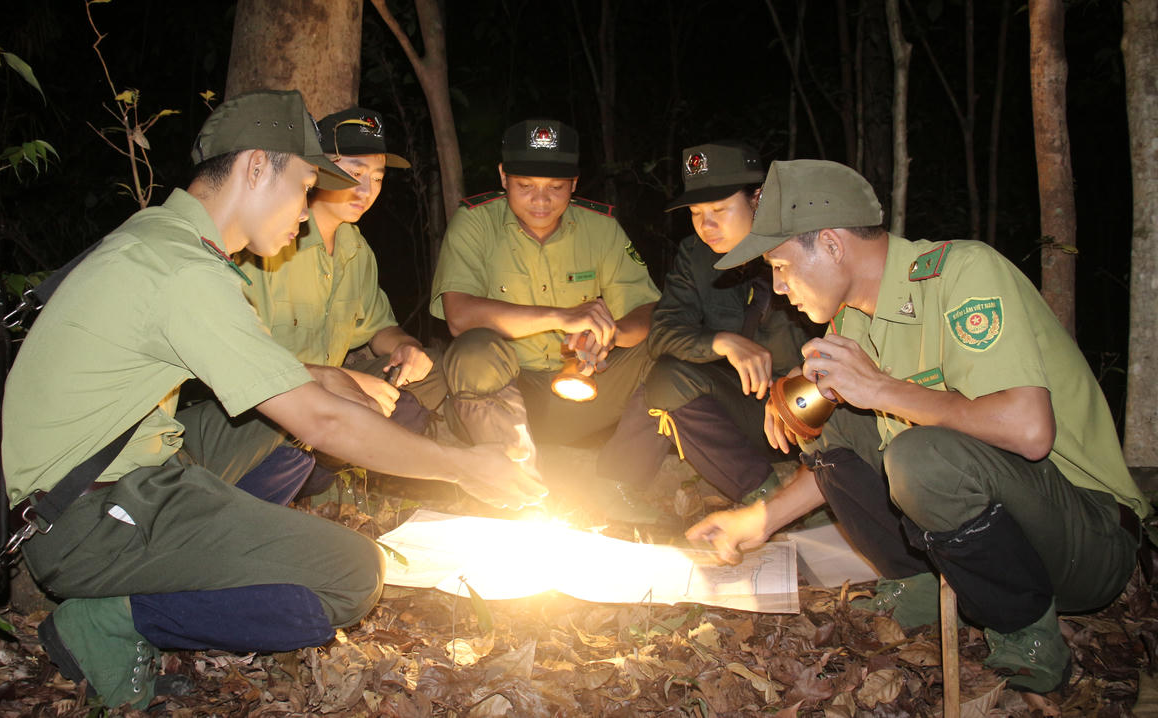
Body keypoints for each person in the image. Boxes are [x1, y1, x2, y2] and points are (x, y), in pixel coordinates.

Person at [1, 90, 545, 709]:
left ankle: (211, 549)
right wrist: (468, 467)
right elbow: (319, 419)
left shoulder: (161, 236)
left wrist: (331, 378)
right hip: (85, 518)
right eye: (304, 185)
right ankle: (113, 617)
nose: (307, 210)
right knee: (353, 575)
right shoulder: (186, 271)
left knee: (293, 420)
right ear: (256, 166)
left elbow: (278, 382)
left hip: (116, 470)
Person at [686, 159, 1149, 693]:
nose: (779, 286)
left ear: (833, 245)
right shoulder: (852, 320)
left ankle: (1027, 635)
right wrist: (758, 519)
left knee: (921, 456)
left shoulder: (965, 272)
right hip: (1013, 526)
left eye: (782, 266)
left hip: (1088, 537)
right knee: (838, 424)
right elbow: (847, 445)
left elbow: (1029, 430)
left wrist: (882, 389)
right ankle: (918, 584)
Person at [430, 118, 659, 471]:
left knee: (665, 345)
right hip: (505, 392)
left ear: (574, 184)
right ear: (503, 177)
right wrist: (562, 316)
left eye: (556, 186)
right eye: (525, 185)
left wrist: (609, 335)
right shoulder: (476, 223)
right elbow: (459, 315)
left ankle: (621, 480)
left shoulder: (601, 228)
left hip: (583, 386)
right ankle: (509, 475)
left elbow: (646, 307)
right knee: (472, 353)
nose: (541, 199)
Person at [236, 106, 444, 493]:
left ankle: (338, 471)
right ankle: (307, 474)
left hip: (338, 398)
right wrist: (348, 380)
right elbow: (243, 362)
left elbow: (378, 325)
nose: (367, 190)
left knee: (426, 381)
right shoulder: (269, 242)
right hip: (271, 408)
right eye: (354, 171)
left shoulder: (355, 248)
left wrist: (406, 347)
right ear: (315, 170)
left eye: (377, 178)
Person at [598, 142, 814, 503]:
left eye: (720, 209)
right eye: (696, 212)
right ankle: (762, 495)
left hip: (800, 413)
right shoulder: (696, 255)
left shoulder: (802, 250)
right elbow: (664, 332)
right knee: (666, 375)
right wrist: (724, 342)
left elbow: (844, 347)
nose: (706, 225)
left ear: (757, 199)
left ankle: (801, 500)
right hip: (736, 411)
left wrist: (790, 389)